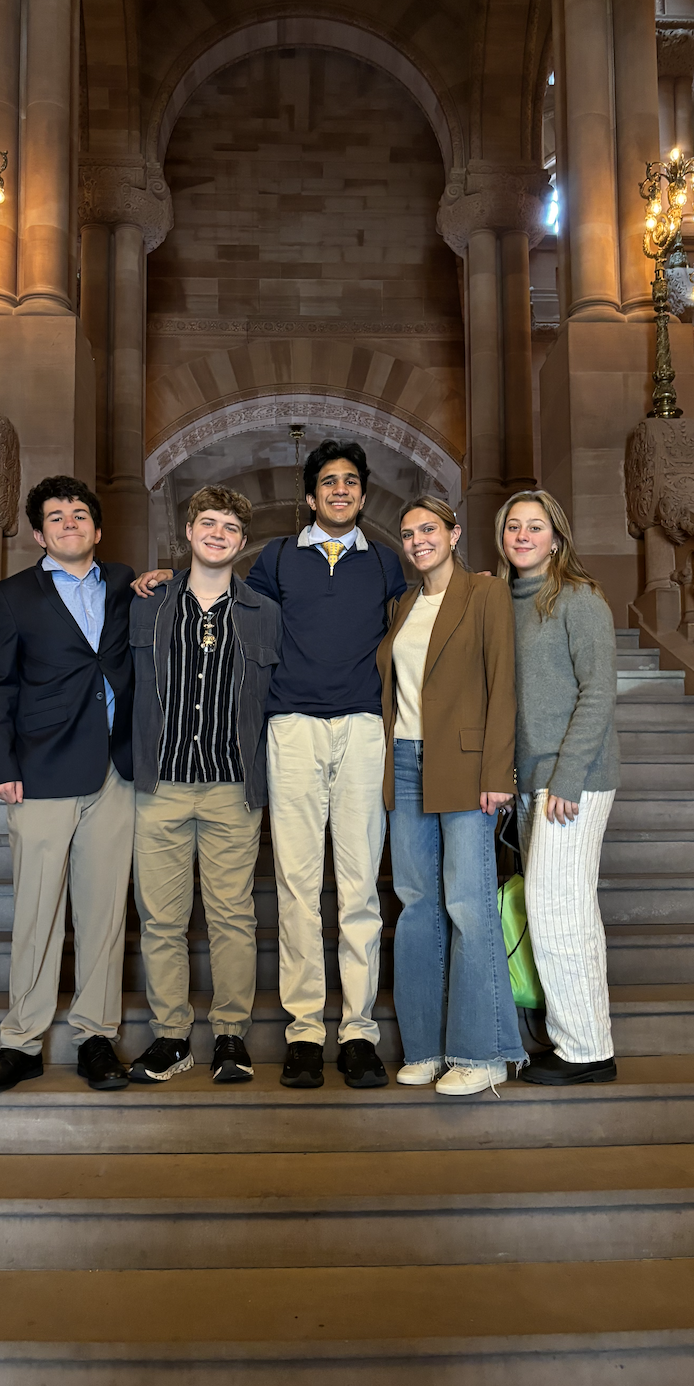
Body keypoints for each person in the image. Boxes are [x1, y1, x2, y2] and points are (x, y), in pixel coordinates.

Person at [134, 439, 406, 1089]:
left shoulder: (387, 565)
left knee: (361, 888)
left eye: (351, 482)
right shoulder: (279, 560)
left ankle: (360, 1031)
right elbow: (223, 603)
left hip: (365, 728)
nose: (340, 490)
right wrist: (161, 580)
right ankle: (307, 1030)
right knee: (297, 889)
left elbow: (420, 620)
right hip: (290, 731)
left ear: (362, 496)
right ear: (310, 498)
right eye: (328, 483)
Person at [0, 476, 136, 1094]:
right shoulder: (15, 594)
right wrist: (1, 765)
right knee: (38, 910)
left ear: (96, 527)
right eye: (56, 517)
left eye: (79, 513)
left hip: (115, 773)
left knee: (103, 913)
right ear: (40, 534)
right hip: (39, 770)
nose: (70, 522)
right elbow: (0, 684)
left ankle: (95, 1036)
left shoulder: (125, 584)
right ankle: (22, 1042)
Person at [125, 486, 281, 1085]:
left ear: (242, 543)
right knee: (161, 919)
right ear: (188, 532)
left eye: (231, 528)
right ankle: (170, 1036)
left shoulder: (264, 613)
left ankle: (230, 1036)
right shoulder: (147, 603)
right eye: (208, 523)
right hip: (159, 783)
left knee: (231, 917)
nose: (218, 533)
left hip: (230, 786)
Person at [376, 498, 523, 1096]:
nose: (417, 542)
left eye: (428, 530)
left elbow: (502, 684)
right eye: (408, 535)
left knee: (467, 903)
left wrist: (498, 772)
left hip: (466, 767)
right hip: (406, 764)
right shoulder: (402, 604)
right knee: (416, 907)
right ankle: (426, 1049)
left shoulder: (486, 595)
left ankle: (482, 1052)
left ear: (454, 533)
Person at [496, 489, 620, 1086]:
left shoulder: (579, 599)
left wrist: (566, 777)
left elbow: (597, 693)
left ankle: (588, 1051)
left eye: (535, 527)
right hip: (531, 782)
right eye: (513, 526)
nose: (523, 535)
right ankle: (580, 1037)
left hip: (575, 780)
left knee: (559, 913)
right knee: (555, 910)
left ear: (557, 537)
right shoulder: (503, 601)